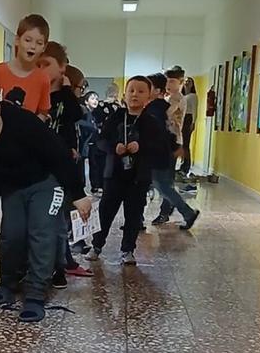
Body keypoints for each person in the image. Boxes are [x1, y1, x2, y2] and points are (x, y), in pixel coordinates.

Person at [0, 78, 92, 323]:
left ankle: (36, 293)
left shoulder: (23, 123)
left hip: (46, 182)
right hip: (13, 187)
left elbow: (58, 154)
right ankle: (8, 282)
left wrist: (78, 194)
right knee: (11, 235)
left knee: (42, 232)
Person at [86, 76, 164, 266]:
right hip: (114, 174)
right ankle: (96, 246)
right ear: (124, 94)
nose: (135, 95)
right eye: (131, 91)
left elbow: (159, 147)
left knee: (133, 215)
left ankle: (128, 250)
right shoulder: (115, 117)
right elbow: (101, 141)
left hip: (139, 177)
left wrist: (141, 146)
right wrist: (115, 147)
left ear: (148, 97)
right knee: (105, 212)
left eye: (141, 91)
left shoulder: (151, 122)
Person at [37, 42, 93, 287]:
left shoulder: (65, 98)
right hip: (41, 163)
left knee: (60, 217)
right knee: (45, 219)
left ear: (61, 69)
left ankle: (62, 264)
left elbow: (75, 115)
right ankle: (54, 262)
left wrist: (68, 89)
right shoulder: (37, 92)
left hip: (63, 164)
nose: (41, 69)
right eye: (38, 64)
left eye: (46, 64)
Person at [146, 73, 201, 230]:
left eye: (172, 81)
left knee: (162, 184)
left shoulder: (171, 102)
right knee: (163, 183)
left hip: (166, 147)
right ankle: (174, 212)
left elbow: (164, 129)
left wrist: (175, 146)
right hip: (169, 145)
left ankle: (184, 212)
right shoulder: (164, 103)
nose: (169, 84)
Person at [0, 14, 51, 119]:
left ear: (44, 47)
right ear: (17, 40)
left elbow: (42, 113)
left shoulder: (43, 79)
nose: (33, 46)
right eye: (28, 40)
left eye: (39, 43)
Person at [180, 76, 199, 178]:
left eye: (189, 81)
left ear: (192, 84)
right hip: (180, 119)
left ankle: (186, 167)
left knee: (185, 144)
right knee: (180, 144)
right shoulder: (181, 96)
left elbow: (195, 110)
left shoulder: (193, 96)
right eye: (186, 81)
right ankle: (182, 165)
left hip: (188, 119)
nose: (187, 83)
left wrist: (193, 122)